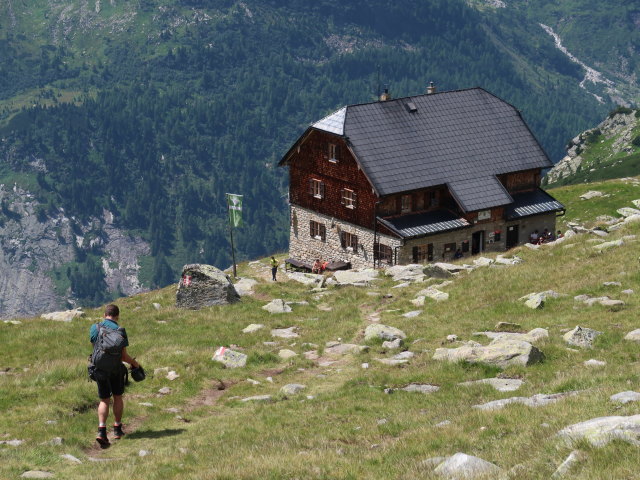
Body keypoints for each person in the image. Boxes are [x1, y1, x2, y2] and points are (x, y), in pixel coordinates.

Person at [90, 304, 140, 448]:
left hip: (99, 369)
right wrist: (135, 364)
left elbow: (95, 348)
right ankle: (117, 429)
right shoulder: (120, 331)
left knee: (104, 400)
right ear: (117, 316)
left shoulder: (95, 328)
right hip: (116, 370)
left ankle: (101, 431)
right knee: (117, 397)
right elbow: (124, 356)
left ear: (105, 314)